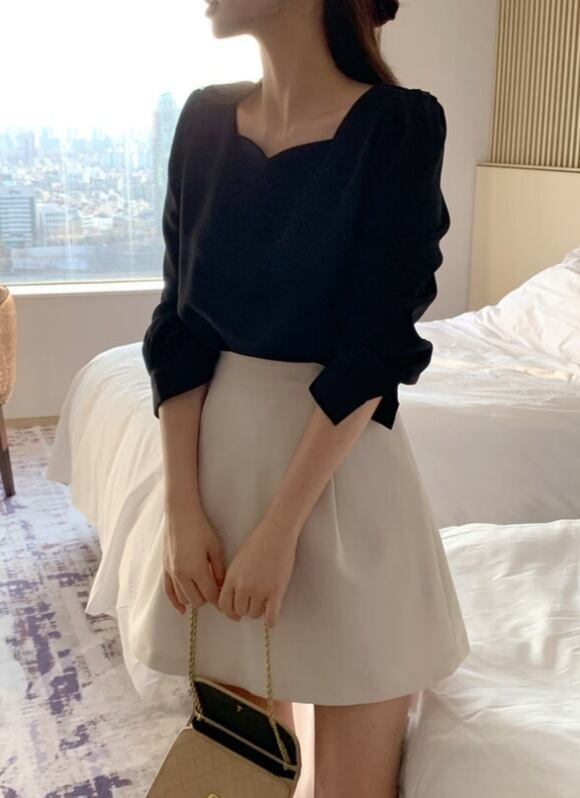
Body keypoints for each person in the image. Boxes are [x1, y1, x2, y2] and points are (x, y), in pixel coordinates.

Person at [140, 0, 471, 795]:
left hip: (339, 479)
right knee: (240, 774)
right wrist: (181, 509)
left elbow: (374, 348)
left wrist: (280, 530)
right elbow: (178, 327)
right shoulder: (203, 121)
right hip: (219, 479)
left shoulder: (398, 126)